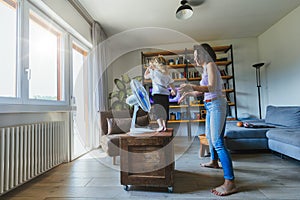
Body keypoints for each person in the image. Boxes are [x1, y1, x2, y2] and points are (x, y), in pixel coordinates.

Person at [178, 43, 237, 196]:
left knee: (217, 141)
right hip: (211, 105)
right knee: (211, 137)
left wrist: (191, 85)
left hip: (217, 104)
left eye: (196, 55)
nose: (194, 58)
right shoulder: (205, 69)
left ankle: (230, 182)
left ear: (205, 54)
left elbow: (211, 87)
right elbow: (200, 93)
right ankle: (214, 162)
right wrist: (187, 93)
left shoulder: (210, 65)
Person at [144, 55, 176, 132]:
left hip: (157, 95)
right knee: (165, 110)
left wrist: (148, 68)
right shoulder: (166, 74)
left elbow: (145, 76)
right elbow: (171, 84)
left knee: (157, 111)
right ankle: (164, 126)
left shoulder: (153, 72)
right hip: (165, 95)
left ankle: (160, 126)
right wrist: (173, 90)